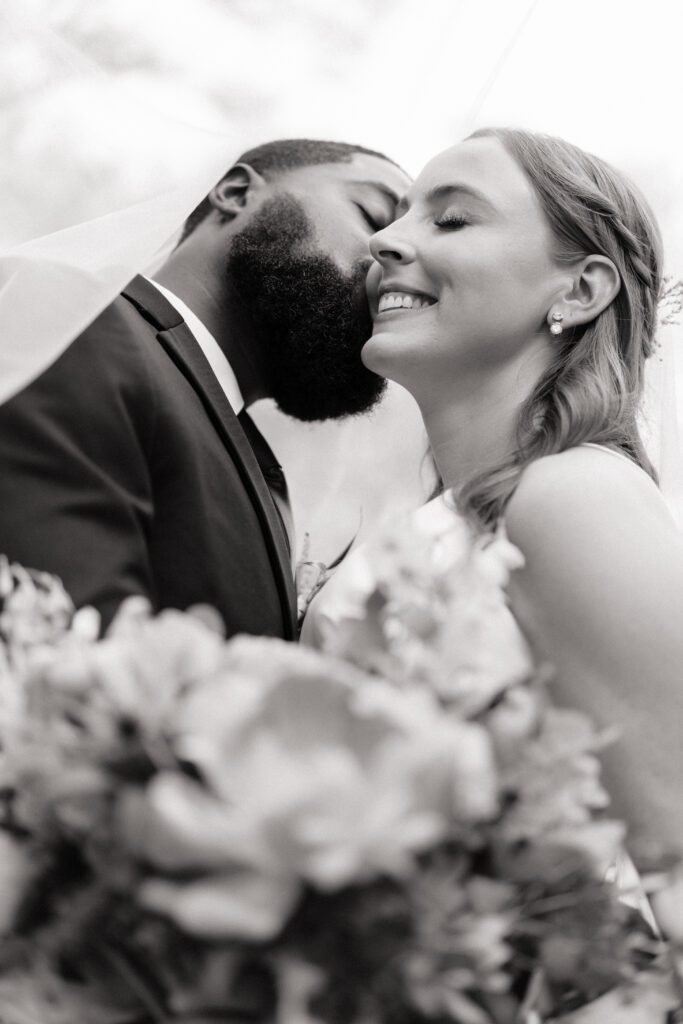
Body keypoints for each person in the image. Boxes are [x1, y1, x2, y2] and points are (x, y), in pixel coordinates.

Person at [303, 128, 683, 854]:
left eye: (449, 219)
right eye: (397, 213)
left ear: (579, 289)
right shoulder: (441, 512)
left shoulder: (576, 496)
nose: (383, 241)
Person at [0, 138, 409, 637]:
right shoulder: (85, 325)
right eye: (373, 215)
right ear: (235, 192)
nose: (391, 265)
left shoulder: (254, 456)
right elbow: (65, 653)